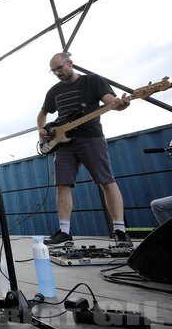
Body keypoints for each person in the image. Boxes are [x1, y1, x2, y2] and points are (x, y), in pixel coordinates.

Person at [37, 52, 133, 248]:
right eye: (54, 70)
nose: (58, 73)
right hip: (63, 144)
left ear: (70, 63)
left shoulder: (93, 81)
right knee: (62, 185)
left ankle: (120, 231)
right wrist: (41, 129)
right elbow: (43, 113)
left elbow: (111, 102)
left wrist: (120, 105)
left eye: (60, 68)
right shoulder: (54, 91)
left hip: (91, 138)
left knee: (106, 181)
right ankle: (64, 232)